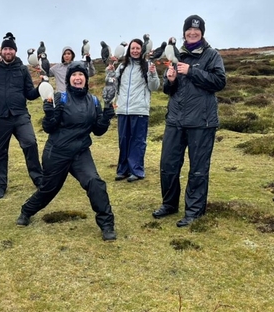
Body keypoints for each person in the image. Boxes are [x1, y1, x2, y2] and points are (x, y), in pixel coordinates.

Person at [17, 61, 117, 241]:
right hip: (57, 152)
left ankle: (107, 225)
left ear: (85, 79)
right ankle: (26, 211)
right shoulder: (59, 98)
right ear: (69, 79)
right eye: (74, 75)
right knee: (48, 189)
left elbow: (98, 131)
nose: (77, 78)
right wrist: (49, 115)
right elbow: (49, 128)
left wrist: (106, 118)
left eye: (81, 75)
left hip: (80, 153)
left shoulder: (93, 101)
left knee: (95, 182)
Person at [152, 15, 226, 227]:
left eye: (197, 31)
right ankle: (169, 204)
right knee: (168, 165)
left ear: (202, 33)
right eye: (189, 31)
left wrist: (192, 71)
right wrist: (171, 80)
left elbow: (220, 82)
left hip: (202, 122)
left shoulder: (212, 55)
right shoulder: (177, 55)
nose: (192, 34)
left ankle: (194, 211)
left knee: (198, 169)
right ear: (184, 33)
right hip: (175, 120)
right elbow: (168, 89)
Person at [0, 32, 43, 199]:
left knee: (30, 143)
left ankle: (39, 179)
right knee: (0, 152)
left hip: (20, 115)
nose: (8, 52)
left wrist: (42, 86)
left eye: (10, 49)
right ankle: (0, 184)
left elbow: (30, 94)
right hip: (0, 117)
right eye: (5, 49)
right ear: (2, 51)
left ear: (15, 51)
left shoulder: (22, 69)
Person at [106, 38, 160, 182]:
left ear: (142, 50)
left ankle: (136, 170)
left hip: (140, 110)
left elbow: (154, 87)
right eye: (132, 48)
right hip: (123, 109)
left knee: (137, 141)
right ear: (129, 50)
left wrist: (153, 74)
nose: (135, 51)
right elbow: (113, 84)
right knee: (123, 140)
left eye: (138, 48)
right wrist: (110, 73)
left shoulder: (148, 65)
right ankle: (123, 170)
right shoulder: (123, 67)